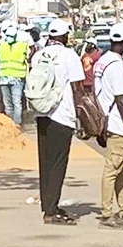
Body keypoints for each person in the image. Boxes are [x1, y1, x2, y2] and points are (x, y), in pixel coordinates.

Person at [29, 19, 86, 225]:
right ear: (64, 37)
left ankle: (49, 204)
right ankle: (51, 212)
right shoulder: (70, 56)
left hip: (42, 114)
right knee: (58, 164)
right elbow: (78, 88)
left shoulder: (37, 55)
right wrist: (82, 117)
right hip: (62, 116)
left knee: (45, 163)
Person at [92, 25, 123, 229]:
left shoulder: (102, 61)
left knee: (120, 170)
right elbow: (121, 101)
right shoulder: (118, 66)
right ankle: (106, 213)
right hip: (119, 125)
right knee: (112, 169)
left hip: (106, 120)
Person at [0, 24, 31, 128]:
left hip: (17, 78)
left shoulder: (22, 45)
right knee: (7, 104)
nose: (9, 37)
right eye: (7, 35)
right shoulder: (2, 46)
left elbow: (29, 56)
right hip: (4, 78)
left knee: (16, 102)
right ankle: (10, 125)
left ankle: (17, 123)